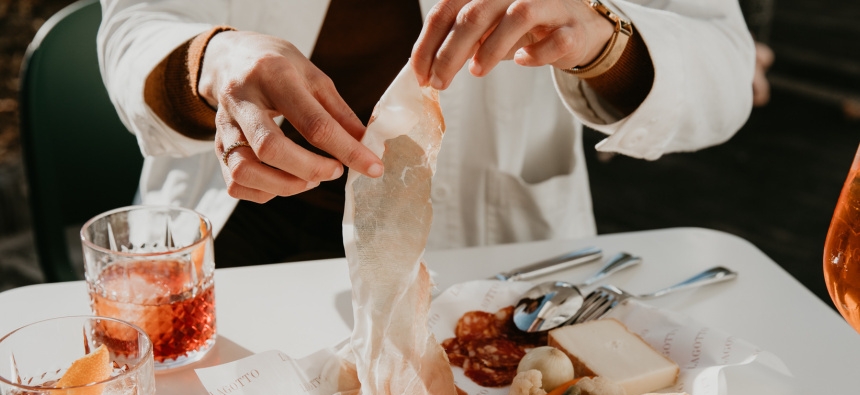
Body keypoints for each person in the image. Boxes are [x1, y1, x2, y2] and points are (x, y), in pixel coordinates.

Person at [98, 0, 756, 267]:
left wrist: (599, 35)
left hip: (481, 251)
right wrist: (207, 60)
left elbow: (723, 61)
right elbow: (132, 22)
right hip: (245, 230)